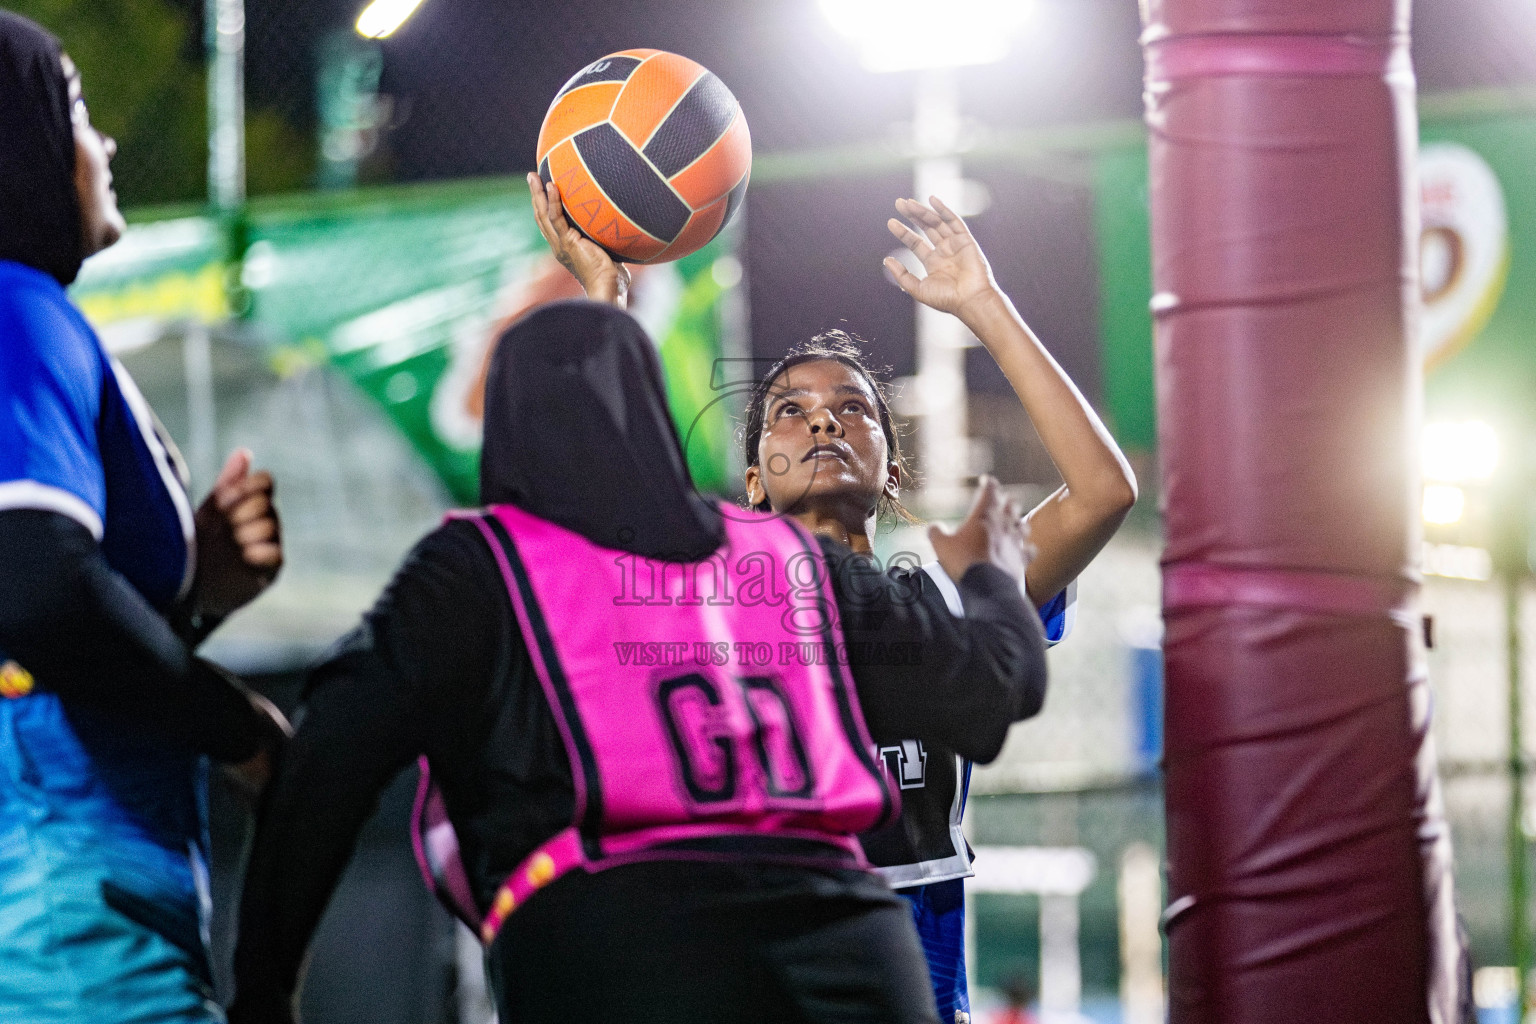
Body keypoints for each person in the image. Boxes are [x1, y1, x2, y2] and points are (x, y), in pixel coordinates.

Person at [228, 298, 1048, 1024]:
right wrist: (992, 576)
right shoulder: (787, 556)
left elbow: (326, 762)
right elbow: (997, 691)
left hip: (614, 939)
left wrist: (263, 987)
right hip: (850, 948)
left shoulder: (482, 565)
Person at [530, 174, 1135, 1023]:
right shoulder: (708, 614)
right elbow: (590, 519)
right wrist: (604, 300)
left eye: (854, 409)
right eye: (789, 410)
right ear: (751, 480)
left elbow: (1102, 492)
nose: (823, 423)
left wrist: (984, 304)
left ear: (890, 470)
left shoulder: (943, 601)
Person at [0, 13, 290, 1024]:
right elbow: (30, 577)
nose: (105, 143)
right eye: (73, 109)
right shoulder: (14, 306)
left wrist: (194, 588)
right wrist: (236, 726)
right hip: (62, 937)